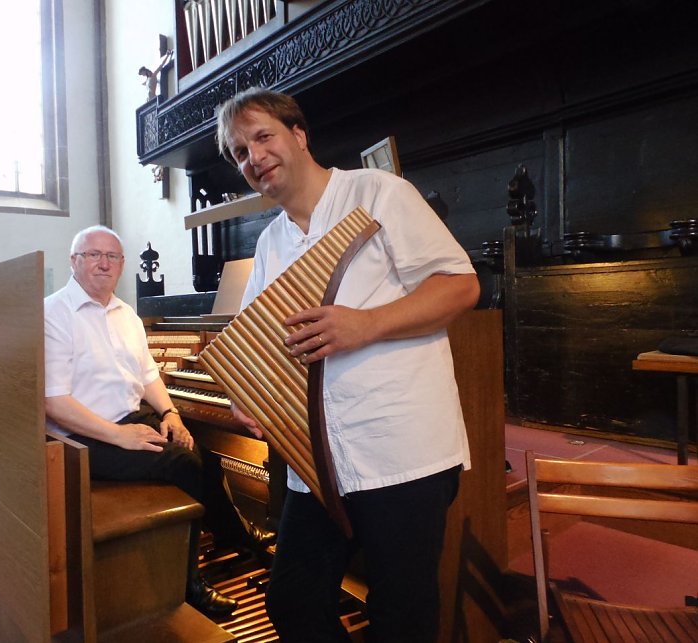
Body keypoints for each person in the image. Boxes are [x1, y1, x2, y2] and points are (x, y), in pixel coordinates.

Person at [216, 88, 480, 642]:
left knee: (401, 616)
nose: (254, 157)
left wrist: (365, 324)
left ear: (299, 134)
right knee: (293, 602)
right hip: (319, 462)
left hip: (400, 449)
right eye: (240, 152)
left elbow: (461, 286)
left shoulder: (379, 193)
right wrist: (249, 390)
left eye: (263, 137)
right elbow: (263, 337)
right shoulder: (271, 240)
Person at [44, 224, 274, 619]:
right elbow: (54, 402)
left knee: (205, 456)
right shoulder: (53, 313)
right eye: (93, 255)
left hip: (130, 418)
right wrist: (120, 436)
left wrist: (171, 414)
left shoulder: (126, 314)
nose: (104, 263)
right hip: (83, 439)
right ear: (74, 261)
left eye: (112, 256)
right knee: (185, 465)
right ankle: (190, 582)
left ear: (121, 265)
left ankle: (227, 532)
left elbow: (149, 375)